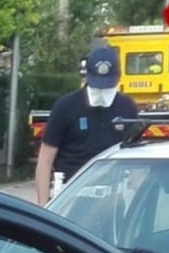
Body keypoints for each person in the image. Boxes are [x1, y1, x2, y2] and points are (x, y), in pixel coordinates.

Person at [36, 46, 139, 205]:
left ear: (118, 78)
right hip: (71, 196)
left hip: (112, 198)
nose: (101, 92)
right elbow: (45, 161)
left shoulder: (127, 107)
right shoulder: (66, 106)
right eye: (97, 86)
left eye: (106, 87)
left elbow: (135, 158)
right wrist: (43, 207)